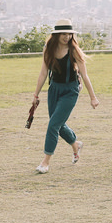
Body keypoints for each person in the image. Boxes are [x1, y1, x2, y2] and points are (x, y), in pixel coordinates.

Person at [32, 19, 99, 173]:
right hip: (54, 90)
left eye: (69, 34)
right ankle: (76, 145)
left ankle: (45, 162)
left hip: (70, 91)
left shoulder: (74, 50)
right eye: (63, 34)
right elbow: (43, 73)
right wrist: (36, 95)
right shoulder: (48, 49)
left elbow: (85, 75)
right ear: (56, 35)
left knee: (53, 125)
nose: (67, 37)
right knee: (58, 124)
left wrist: (93, 97)